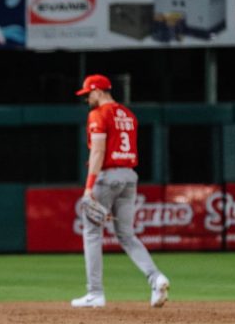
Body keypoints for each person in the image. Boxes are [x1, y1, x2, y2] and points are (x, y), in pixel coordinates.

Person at [72, 74, 170, 308]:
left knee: (92, 233)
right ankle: (156, 278)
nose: (87, 99)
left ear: (98, 91)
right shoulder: (128, 114)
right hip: (129, 176)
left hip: (107, 176)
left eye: (88, 94)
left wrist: (88, 188)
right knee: (126, 234)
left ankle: (95, 293)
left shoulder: (98, 114)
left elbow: (97, 151)